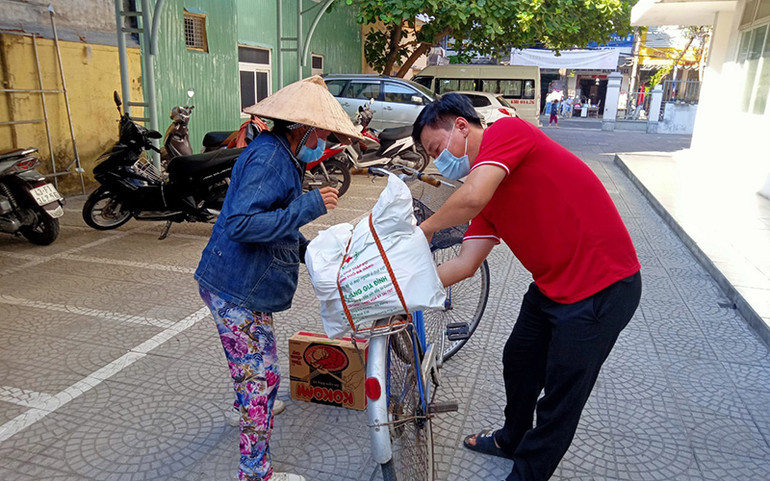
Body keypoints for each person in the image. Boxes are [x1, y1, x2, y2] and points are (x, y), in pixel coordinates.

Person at [412, 93, 641, 481]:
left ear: (461, 127)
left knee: (560, 399)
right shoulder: (484, 196)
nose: (439, 162)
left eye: (437, 149)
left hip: (603, 287)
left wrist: (424, 229)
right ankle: (511, 438)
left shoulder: (508, 132)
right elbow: (465, 264)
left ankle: (527, 474)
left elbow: (471, 196)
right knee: (519, 360)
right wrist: (401, 288)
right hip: (552, 287)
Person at [194, 76, 363, 481]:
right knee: (262, 378)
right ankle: (255, 471)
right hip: (235, 286)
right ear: (302, 128)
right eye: (322, 133)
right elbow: (241, 224)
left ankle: (243, 408)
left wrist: (312, 253)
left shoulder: (282, 154)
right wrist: (309, 205)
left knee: (252, 365)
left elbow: (275, 222)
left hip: (243, 281)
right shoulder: (271, 158)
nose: (324, 142)